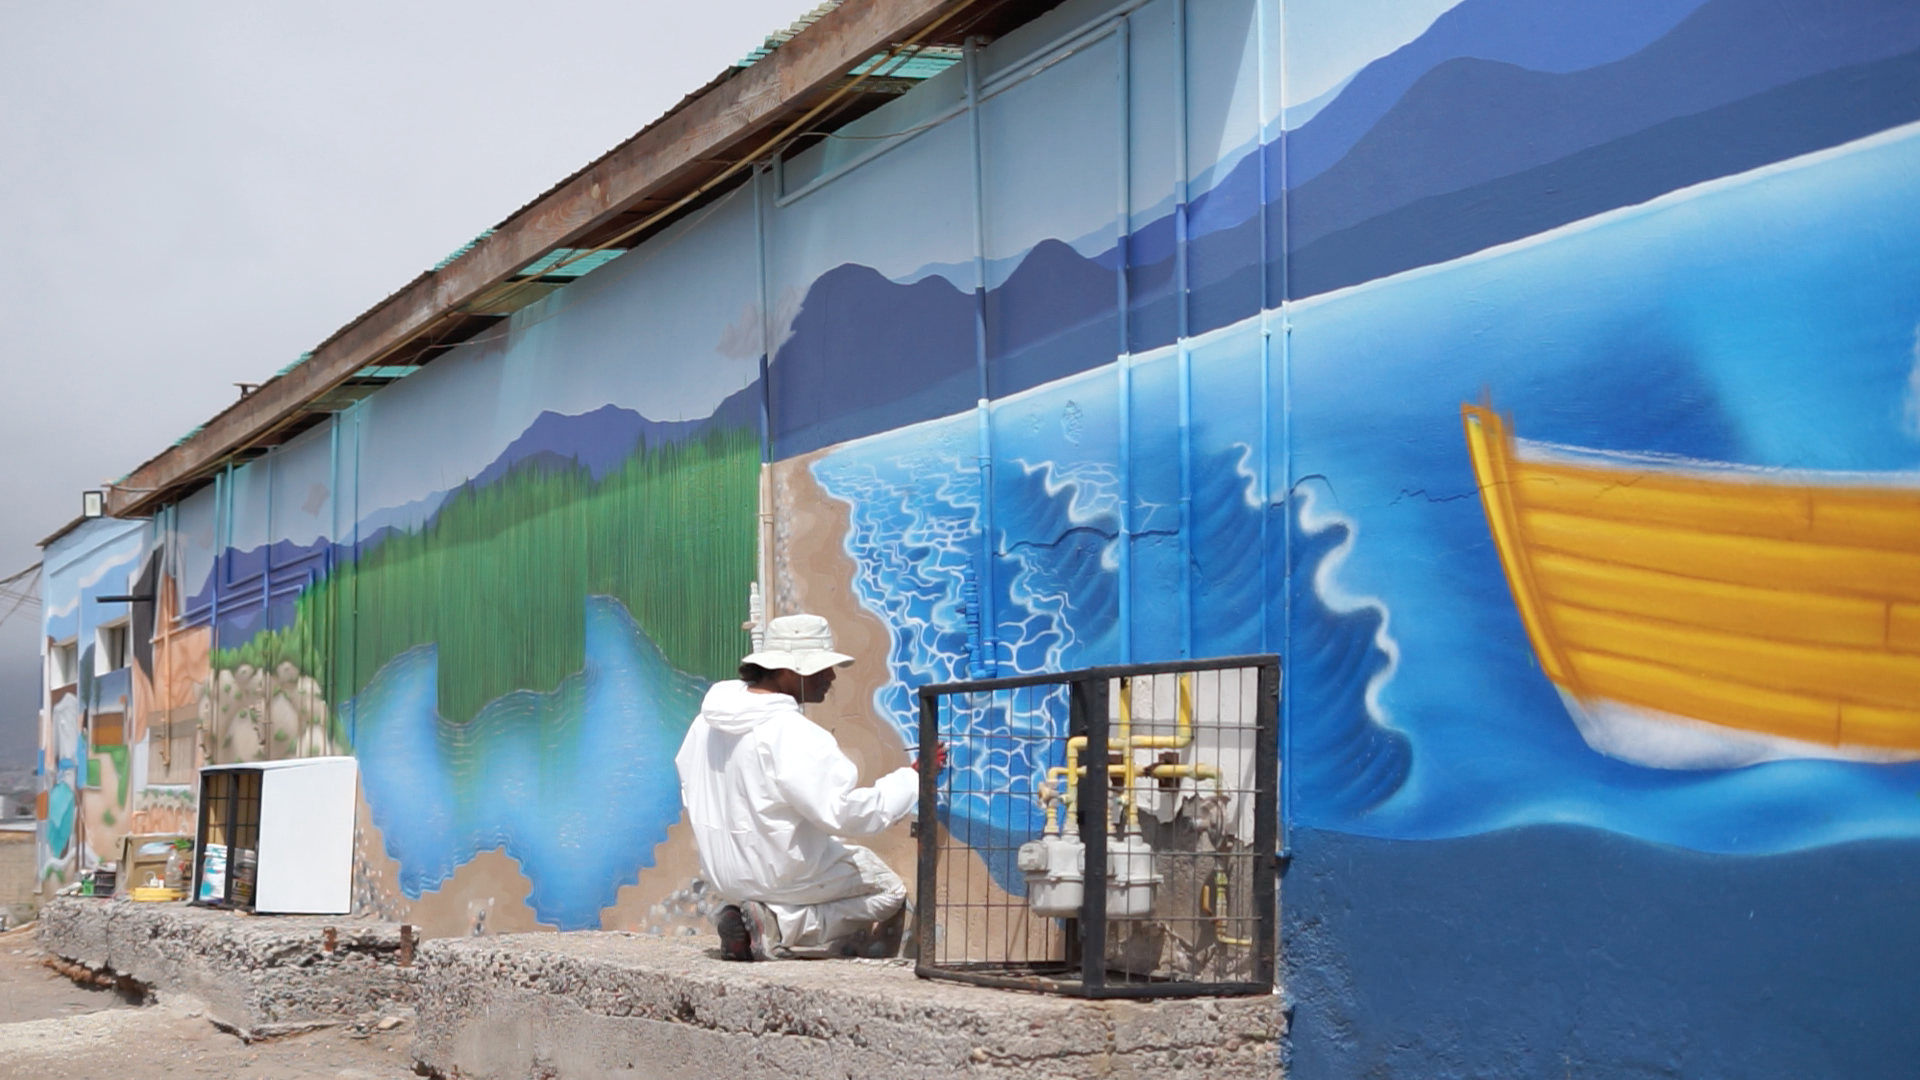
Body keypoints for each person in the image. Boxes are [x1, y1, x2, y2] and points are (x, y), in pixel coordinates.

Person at [674, 613, 942, 961]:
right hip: (778, 874)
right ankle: (778, 924)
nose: (830, 677)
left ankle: (743, 920)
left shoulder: (704, 724)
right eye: (820, 669)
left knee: (833, 856)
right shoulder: (789, 731)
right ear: (788, 671)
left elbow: (690, 790)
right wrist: (912, 778)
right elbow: (845, 813)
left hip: (726, 878)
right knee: (887, 890)